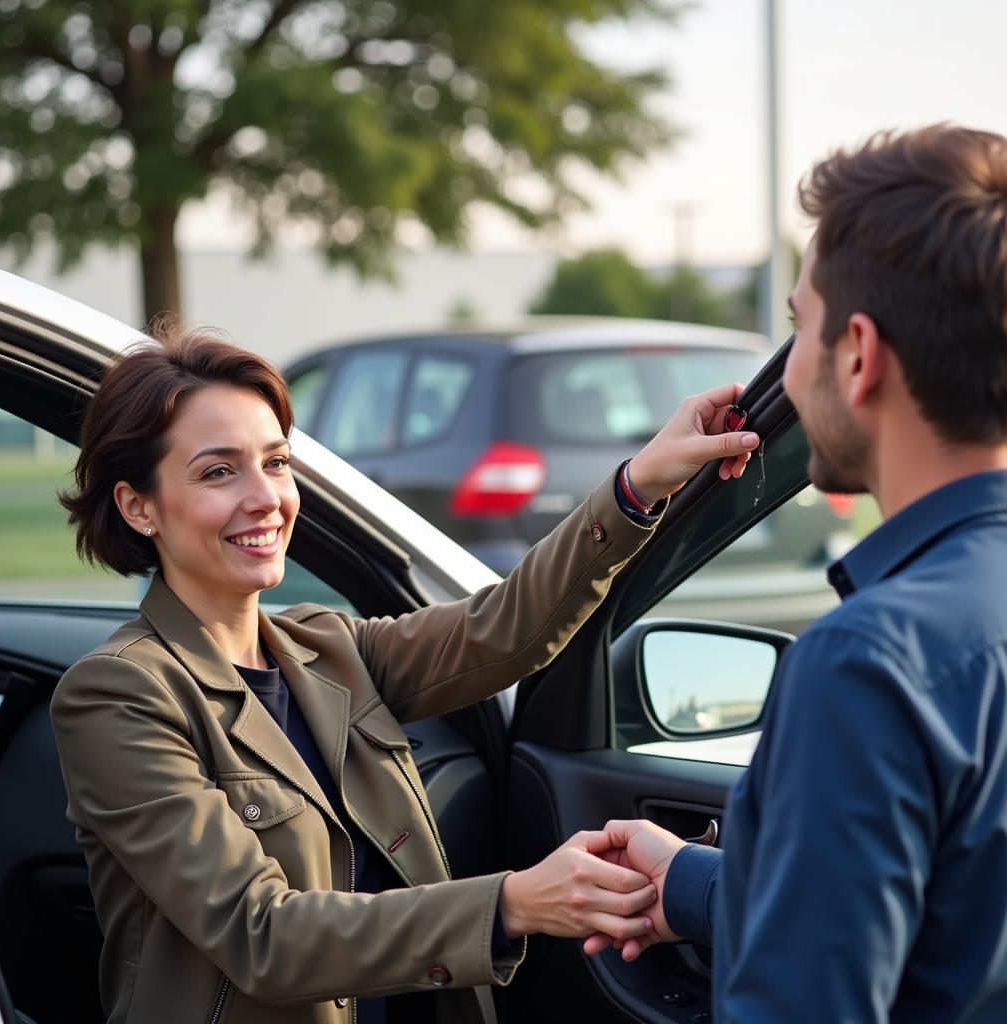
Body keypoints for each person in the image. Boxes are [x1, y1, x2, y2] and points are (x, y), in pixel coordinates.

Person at [49, 323, 760, 1024]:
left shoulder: (326, 647)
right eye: (218, 471)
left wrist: (637, 485)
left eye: (275, 462)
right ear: (138, 506)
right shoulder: (118, 694)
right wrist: (514, 902)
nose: (265, 497)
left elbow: (505, 630)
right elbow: (261, 934)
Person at [584, 125, 1007, 1023]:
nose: (790, 372)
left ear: (857, 355)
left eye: (798, 330)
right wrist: (691, 883)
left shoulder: (871, 665)